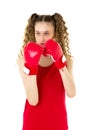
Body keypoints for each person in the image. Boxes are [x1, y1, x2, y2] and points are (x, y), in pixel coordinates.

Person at [17, 12, 76, 130]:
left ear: (55, 34)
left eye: (46, 33)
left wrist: (60, 64)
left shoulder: (66, 59)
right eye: (37, 33)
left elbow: (71, 93)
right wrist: (32, 67)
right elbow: (33, 100)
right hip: (33, 122)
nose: (41, 39)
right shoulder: (23, 60)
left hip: (58, 122)